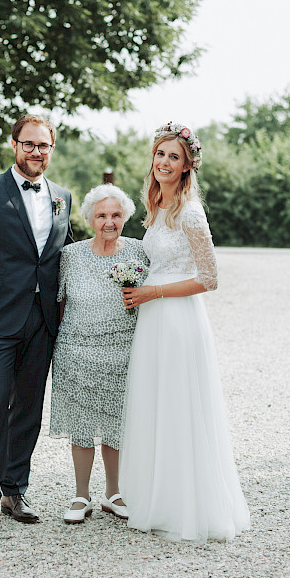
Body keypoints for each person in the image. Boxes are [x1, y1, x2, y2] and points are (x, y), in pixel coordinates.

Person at [118, 122, 251, 541]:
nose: (164, 162)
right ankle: (160, 499)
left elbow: (210, 278)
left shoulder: (191, 213)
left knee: (180, 407)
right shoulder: (156, 209)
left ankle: (192, 508)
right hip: (153, 320)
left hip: (178, 320)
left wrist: (153, 291)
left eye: (174, 157)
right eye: (160, 154)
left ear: (187, 166)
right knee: (157, 405)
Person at [0, 114, 74, 538]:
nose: (36, 152)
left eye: (43, 146)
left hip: (42, 324)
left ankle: (14, 491)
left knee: (27, 409)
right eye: (29, 144)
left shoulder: (63, 197)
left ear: (52, 149)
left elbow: (69, 254)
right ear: (13, 145)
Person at [49, 184, 148, 524]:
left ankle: (113, 492)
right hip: (76, 350)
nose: (109, 221)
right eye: (102, 215)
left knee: (116, 425)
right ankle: (80, 495)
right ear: (90, 219)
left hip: (123, 351)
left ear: (125, 218)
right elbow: (58, 304)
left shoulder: (138, 251)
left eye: (116, 215)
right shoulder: (71, 256)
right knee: (81, 425)